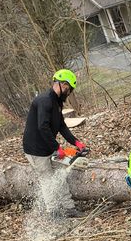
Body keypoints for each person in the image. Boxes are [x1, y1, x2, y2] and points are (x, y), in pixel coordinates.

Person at [23, 69, 86, 218]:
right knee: (48, 180)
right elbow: (42, 126)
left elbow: (61, 125)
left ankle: (69, 208)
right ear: (63, 84)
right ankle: (53, 212)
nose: (68, 92)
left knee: (60, 175)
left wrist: (76, 142)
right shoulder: (44, 101)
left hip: (48, 145)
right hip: (35, 149)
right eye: (68, 89)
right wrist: (57, 148)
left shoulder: (57, 102)